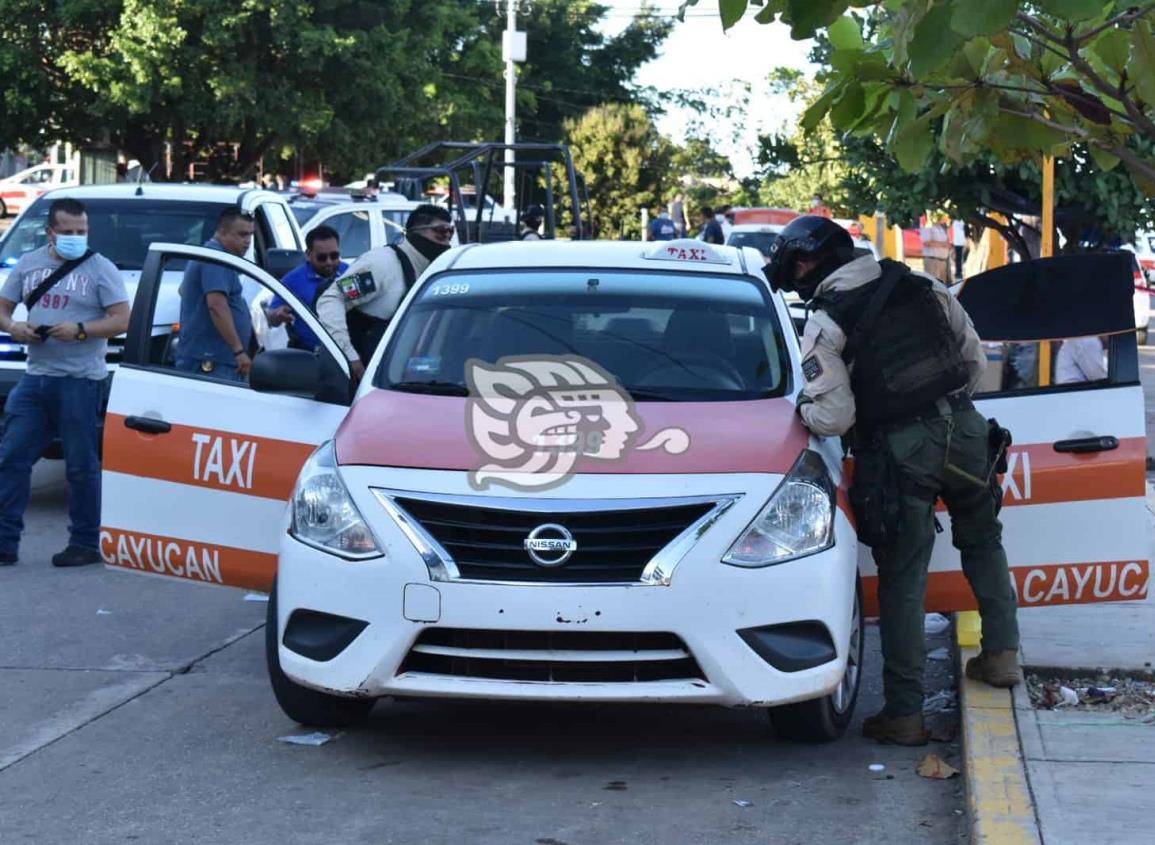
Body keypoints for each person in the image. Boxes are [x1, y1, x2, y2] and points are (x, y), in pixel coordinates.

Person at [765, 215, 1021, 746]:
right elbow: (974, 361)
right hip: (969, 430)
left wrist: (803, 413)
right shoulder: (922, 284)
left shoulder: (827, 322)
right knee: (983, 539)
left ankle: (905, 715)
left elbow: (832, 417)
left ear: (807, 265)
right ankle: (1002, 656)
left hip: (902, 447)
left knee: (905, 575)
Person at [0, 198, 130, 567]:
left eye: (82, 231)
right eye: (69, 232)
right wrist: (14, 327)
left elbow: (122, 319)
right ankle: (5, 541)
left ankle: (85, 542)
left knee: (80, 465)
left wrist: (80, 330)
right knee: (11, 458)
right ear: (51, 232)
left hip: (79, 380)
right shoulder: (29, 264)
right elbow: (3, 307)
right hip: (35, 378)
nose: (76, 237)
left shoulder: (100, 268)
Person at [317, 204, 453, 383]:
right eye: (441, 231)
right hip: (361, 381)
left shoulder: (438, 271)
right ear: (415, 232)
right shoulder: (380, 265)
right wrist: (349, 357)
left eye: (450, 231)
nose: (447, 239)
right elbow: (332, 299)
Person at [175, 207, 255, 381]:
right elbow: (217, 306)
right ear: (223, 232)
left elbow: (183, 290)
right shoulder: (215, 259)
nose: (247, 241)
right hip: (211, 362)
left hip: (215, 359)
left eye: (250, 235)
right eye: (242, 235)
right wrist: (238, 351)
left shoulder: (216, 256)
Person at [264, 225, 347, 352]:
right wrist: (278, 314)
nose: (329, 262)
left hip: (349, 352)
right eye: (322, 257)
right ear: (308, 255)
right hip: (310, 356)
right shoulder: (292, 281)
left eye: (334, 256)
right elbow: (271, 318)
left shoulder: (350, 272)